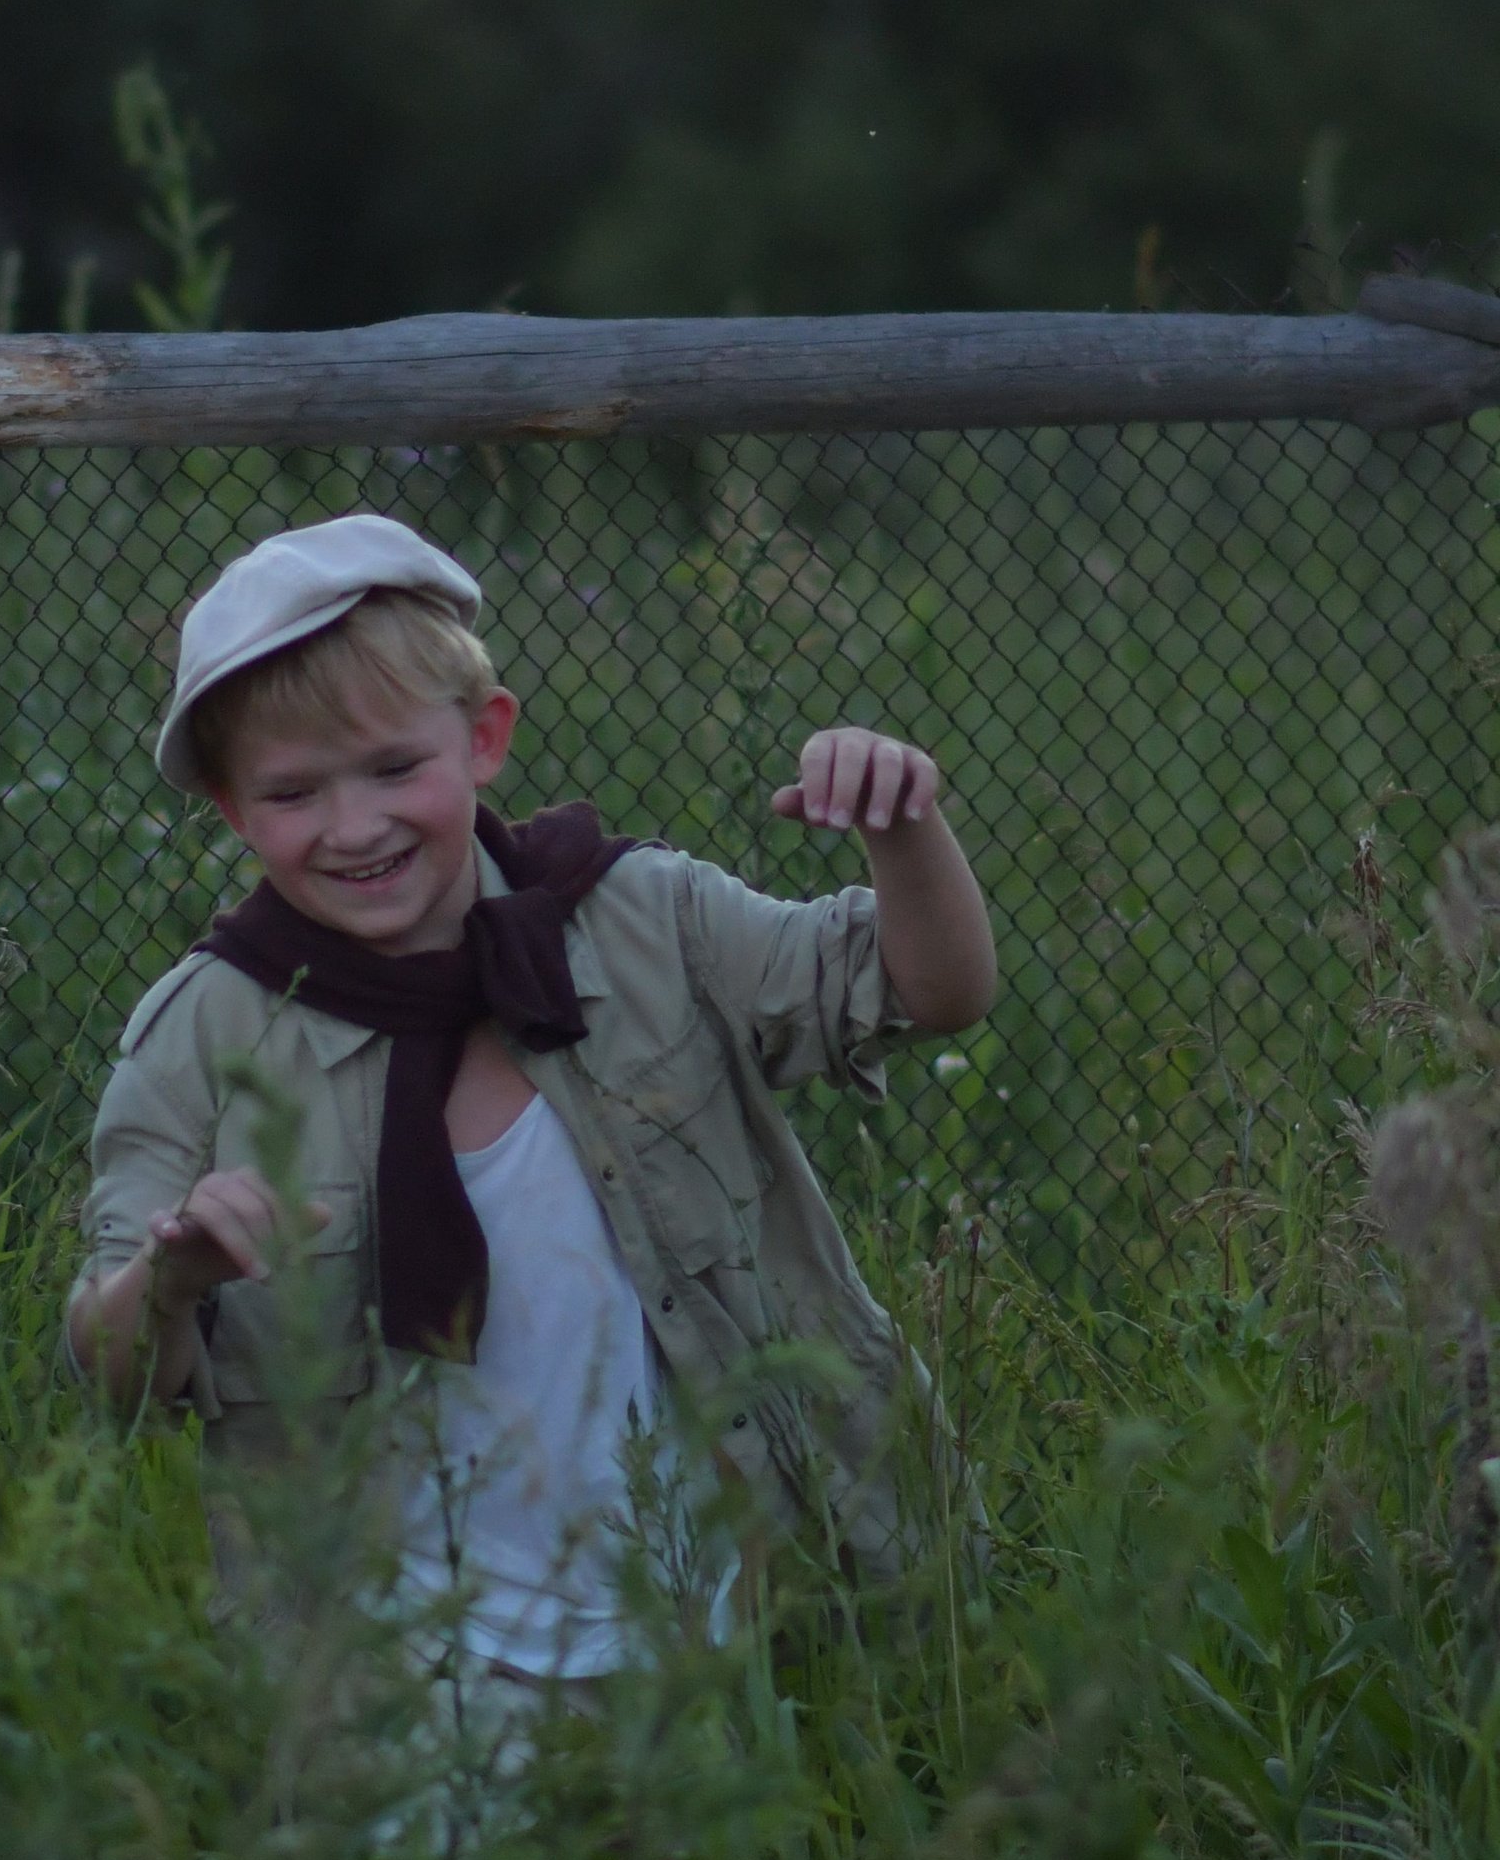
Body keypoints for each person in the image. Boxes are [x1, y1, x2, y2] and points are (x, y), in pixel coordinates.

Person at [65, 514, 996, 1689]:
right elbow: (104, 1365)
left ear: (484, 738)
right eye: (294, 794)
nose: (357, 828)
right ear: (234, 811)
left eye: (396, 768)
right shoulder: (201, 1033)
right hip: (407, 1668)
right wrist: (173, 1277)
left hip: (728, 1611)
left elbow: (933, 993)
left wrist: (901, 830)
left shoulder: (643, 920)